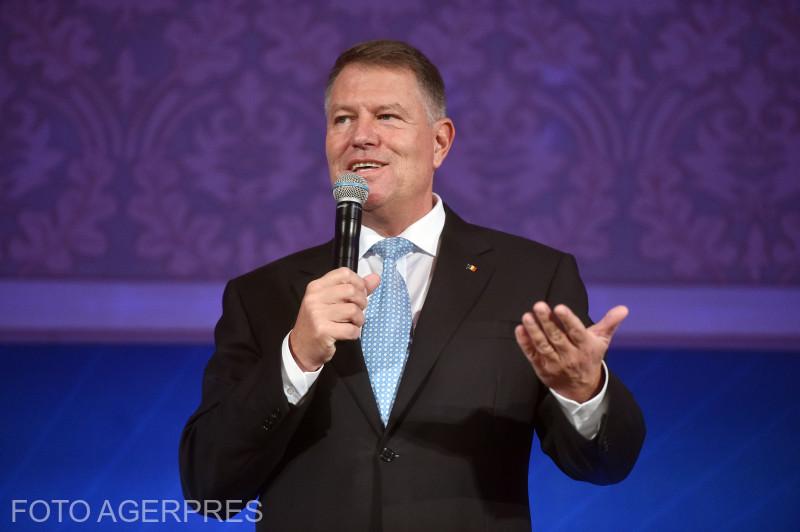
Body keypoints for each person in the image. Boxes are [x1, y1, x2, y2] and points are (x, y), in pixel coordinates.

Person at [179, 40, 645, 531]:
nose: (361, 136)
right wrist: (295, 359)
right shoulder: (261, 295)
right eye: (342, 119)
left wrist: (584, 392)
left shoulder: (531, 278)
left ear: (440, 142)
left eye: (387, 116)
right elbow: (209, 488)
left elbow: (605, 466)